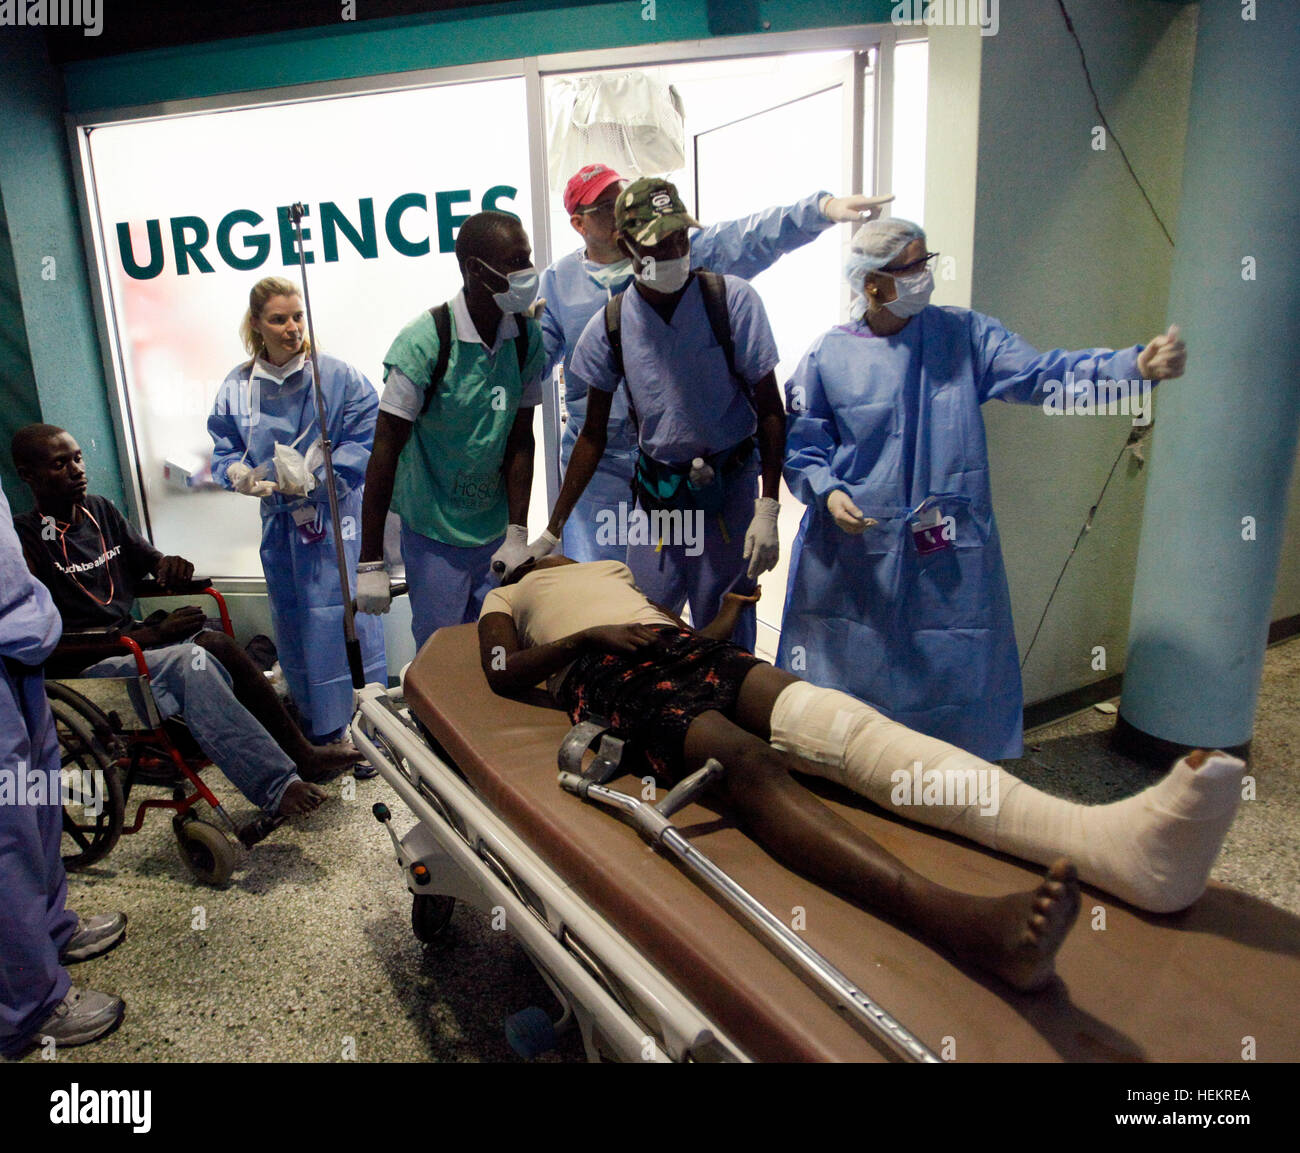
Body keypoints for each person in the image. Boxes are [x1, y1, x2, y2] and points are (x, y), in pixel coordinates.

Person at [479, 556, 1247, 989]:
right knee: (745, 760)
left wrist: (719, 617)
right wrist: (587, 632)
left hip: (680, 646)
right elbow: (502, 670)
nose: (542, 556)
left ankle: (1108, 844)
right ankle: (956, 920)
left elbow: (681, 626)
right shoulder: (505, 592)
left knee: (840, 723)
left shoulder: (605, 563)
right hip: (603, 666)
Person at [779, 218, 1188, 760]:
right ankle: (846, 768)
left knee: (951, 660)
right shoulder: (829, 355)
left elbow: (1045, 376)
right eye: (912, 267)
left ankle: (949, 781)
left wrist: (1131, 367)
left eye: (927, 261)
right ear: (873, 284)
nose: (926, 275)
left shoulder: (965, 337)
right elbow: (804, 443)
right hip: (852, 549)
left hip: (944, 545)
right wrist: (827, 492)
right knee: (853, 663)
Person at [542, 162, 891, 563]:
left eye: (620, 195)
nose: (618, 206)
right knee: (607, 586)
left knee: (709, 585)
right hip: (601, 473)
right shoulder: (557, 285)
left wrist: (821, 209)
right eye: (604, 206)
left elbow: (751, 237)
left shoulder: (692, 263)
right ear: (579, 223)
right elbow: (535, 365)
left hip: (696, 464)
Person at [12, 425, 358, 819]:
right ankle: (279, 784)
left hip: (133, 643)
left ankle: (303, 753)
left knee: (217, 643)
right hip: (89, 664)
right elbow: (43, 640)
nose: (76, 469)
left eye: (77, 457)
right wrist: (151, 635)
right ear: (28, 475)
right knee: (190, 662)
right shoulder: (23, 539)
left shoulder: (101, 512)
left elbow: (150, 562)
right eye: (60, 464)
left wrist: (168, 566)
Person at [524, 178, 786, 651]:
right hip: (661, 496)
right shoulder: (612, 325)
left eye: (679, 238)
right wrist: (553, 528)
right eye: (656, 242)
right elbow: (591, 436)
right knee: (643, 621)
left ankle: (728, 713)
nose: (672, 251)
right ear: (626, 246)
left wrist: (768, 507)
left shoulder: (730, 301)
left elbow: (770, 410)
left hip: (727, 493)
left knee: (726, 625)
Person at [355, 212, 547, 650]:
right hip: (434, 534)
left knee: (498, 650)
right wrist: (370, 561)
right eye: (516, 261)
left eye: (527, 257)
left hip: (493, 531)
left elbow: (521, 438)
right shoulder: (425, 343)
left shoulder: (524, 339)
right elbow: (383, 452)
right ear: (476, 269)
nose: (527, 272)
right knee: (442, 654)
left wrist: (518, 531)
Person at [208, 276, 385, 743]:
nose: (292, 328)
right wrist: (237, 475)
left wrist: (319, 479)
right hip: (283, 528)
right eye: (279, 319)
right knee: (297, 626)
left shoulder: (337, 377)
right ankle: (322, 730)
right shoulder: (238, 387)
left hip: (336, 523)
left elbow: (369, 436)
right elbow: (225, 448)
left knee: (348, 621)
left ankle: (373, 727)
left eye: (298, 316)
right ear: (257, 325)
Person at [1, 474, 128, 1056]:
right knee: (6, 835)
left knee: (40, 808)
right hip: (34, 636)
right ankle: (26, 1005)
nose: (74, 470)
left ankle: (48, 931)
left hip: (22, 643)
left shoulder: (101, 513)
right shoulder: (38, 530)